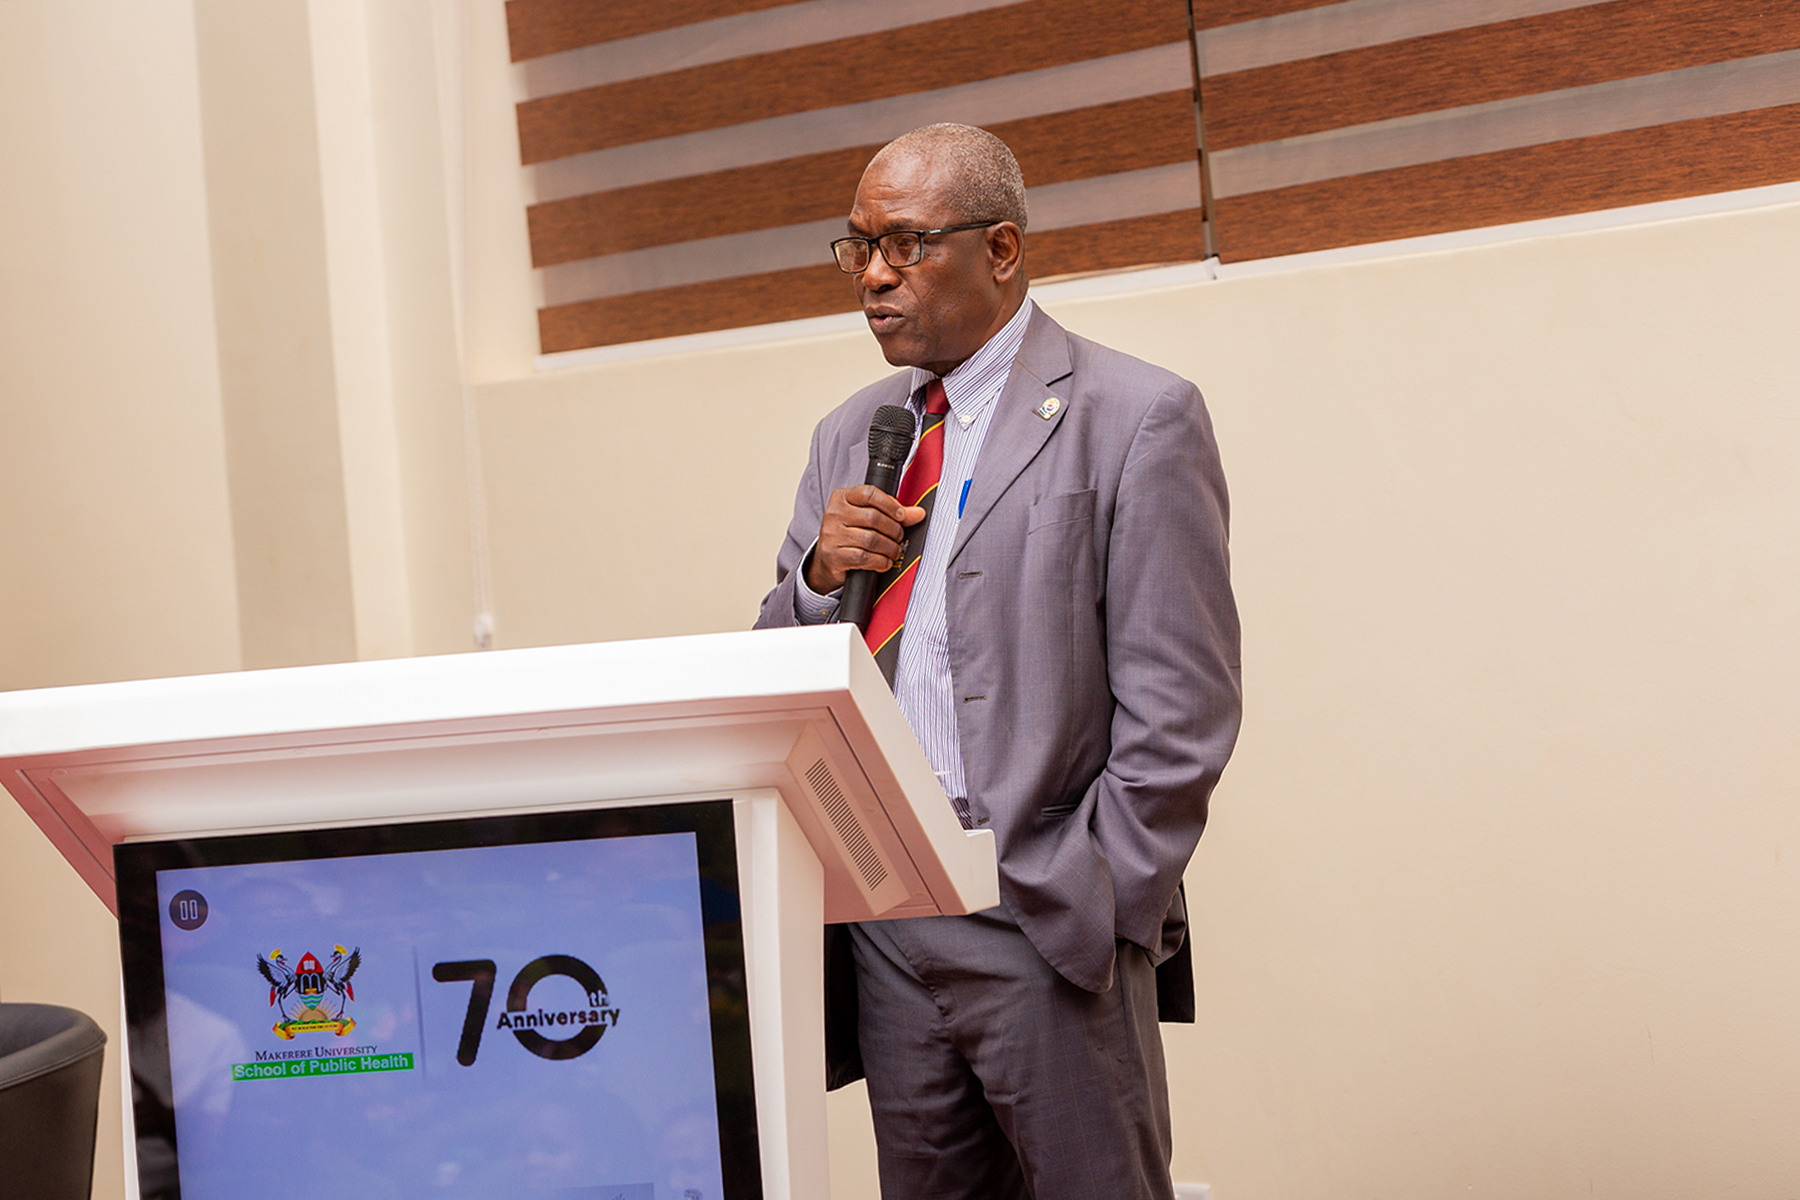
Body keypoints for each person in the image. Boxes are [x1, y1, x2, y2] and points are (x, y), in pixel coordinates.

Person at [753, 123, 1241, 1200]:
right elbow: (779, 682)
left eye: (906, 245)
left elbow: (1183, 711)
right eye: (858, 249)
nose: (873, 277)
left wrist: (1088, 896)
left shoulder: (1135, 419)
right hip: (889, 923)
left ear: (1004, 250)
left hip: (1045, 919)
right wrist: (819, 582)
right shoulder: (851, 434)